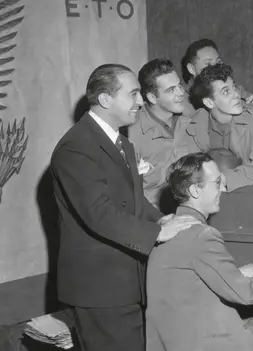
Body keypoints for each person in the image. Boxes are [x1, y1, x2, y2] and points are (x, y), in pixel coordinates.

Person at [50, 64, 197, 351]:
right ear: (105, 100)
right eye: (133, 94)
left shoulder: (121, 143)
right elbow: (98, 213)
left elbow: (133, 200)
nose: (141, 102)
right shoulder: (76, 147)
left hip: (128, 281)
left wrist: (163, 219)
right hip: (99, 287)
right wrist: (156, 233)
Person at [146, 152, 253, 351]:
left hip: (171, 338)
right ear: (195, 190)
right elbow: (245, 293)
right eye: (217, 182)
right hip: (202, 342)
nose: (223, 189)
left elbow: (190, 278)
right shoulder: (202, 234)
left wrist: (237, 274)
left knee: (252, 322)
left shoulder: (166, 229)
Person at [185, 63, 253, 192]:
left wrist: (222, 180)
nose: (236, 95)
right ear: (209, 102)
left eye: (234, 87)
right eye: (226, 91)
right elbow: (190, 170)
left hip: (252, 191)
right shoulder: (195, 124)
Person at [129, 58, 194, 211]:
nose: (180, 93)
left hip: (191, 208)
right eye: (171, 90)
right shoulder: (131, 132)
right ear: (152, 97)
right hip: (152, 216)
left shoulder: (193, 115)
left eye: (179, 85)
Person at [180, 38, 253, 114]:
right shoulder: (180, 99)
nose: (215, 68)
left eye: (218, 62)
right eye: (208, 64)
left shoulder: (233, 90)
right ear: (191, 69)